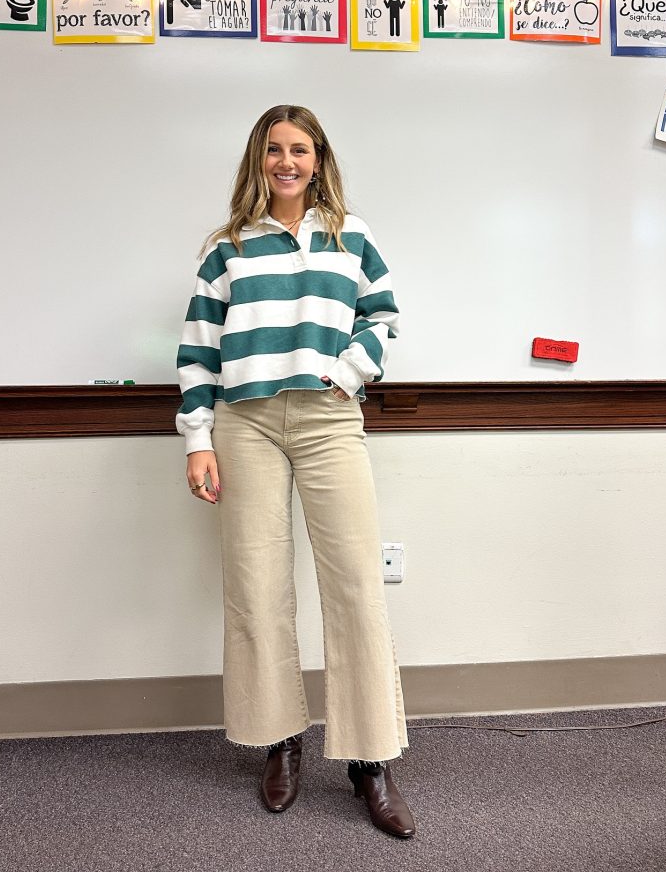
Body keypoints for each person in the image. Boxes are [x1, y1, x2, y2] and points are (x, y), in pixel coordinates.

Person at [175, 104, 415, 838]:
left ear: (319, 159)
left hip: (325, 418)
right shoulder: (228, 248)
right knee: (256, 586)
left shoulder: (353, 236)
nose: (287, 161)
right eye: (275, 149)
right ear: (259, 159)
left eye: (300, 150)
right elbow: (197, 349)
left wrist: (345, 375)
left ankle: (370, 761)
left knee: (354, 585)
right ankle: (279, 743)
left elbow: (385, 319)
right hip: (244, 423)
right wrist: (198, 440)